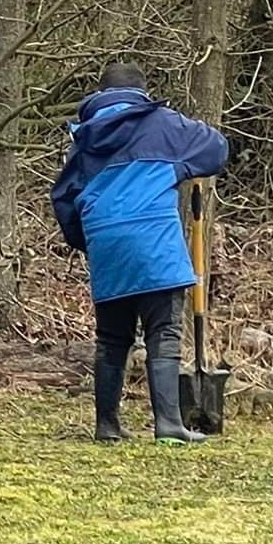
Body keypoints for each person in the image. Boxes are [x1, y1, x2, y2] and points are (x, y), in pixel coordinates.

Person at [50, 61, 228, 445]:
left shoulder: (84, 138)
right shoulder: (163, 123)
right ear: (142, 93)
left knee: (112, 338)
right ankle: (168, 424)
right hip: (154, 243)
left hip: (106, 243)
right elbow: (216, 149)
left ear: (99, 96)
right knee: (163, 331)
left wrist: (89, 241)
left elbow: (63, 198)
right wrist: (181, 166)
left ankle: (107, 425)